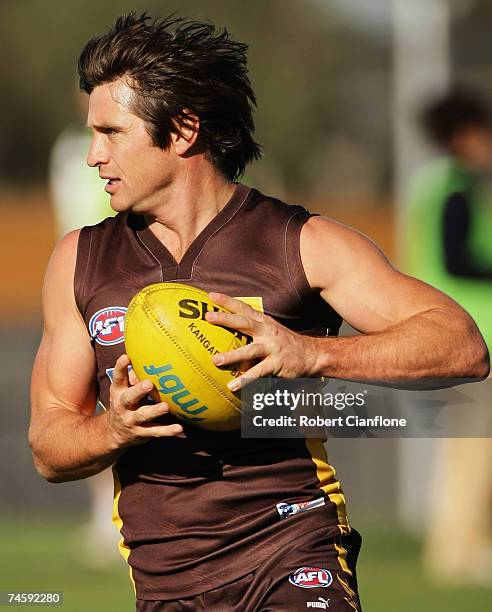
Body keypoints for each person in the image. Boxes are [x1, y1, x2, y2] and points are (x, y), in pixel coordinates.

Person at [29, 14, 489, 611]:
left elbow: (461, 344)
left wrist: (314, 352)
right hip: (165, 581)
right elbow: (48, 444)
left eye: (112, 132)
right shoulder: (79, 261)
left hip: (295, 549)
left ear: (184, 129)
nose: (94, 155)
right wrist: (110, 429)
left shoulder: (301, 244)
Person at [405, 89, 492, 584]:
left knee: (462, 446)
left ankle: (452, 546)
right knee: (476, 447)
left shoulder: (431, 183)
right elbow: (458, 258)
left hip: (442, 326)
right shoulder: (457, 185)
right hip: (473, 332)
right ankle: (465, 548)